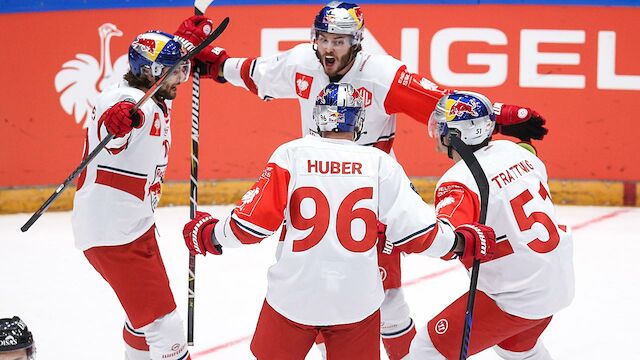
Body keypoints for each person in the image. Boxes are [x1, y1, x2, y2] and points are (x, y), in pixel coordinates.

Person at [174, 3, 548, 358]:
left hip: (372, 193)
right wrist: (212, 62)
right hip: (318, 183)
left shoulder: (383, 74)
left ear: (356, 42)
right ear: (314, 38)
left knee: (388, 299)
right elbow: (256, 73)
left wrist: (496, 114)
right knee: (325, 290)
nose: (329, 48)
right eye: (324, 39)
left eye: (339, 41)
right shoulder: (302, 62)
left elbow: (442, 102)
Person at [182, 83, 496, 359]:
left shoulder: (291, 154)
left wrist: (209, 234)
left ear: (318, 117)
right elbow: (418, 234)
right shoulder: (380, 164)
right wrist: (461, 241)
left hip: (293, 297)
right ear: (359, 121)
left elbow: (251, 225)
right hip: (355, 303)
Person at [408, 91, 574, 359]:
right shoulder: (518, 152)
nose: (437, 131)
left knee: (427, 349)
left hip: (515, 297)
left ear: (456, 135)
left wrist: (409, 214)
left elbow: (444, 243)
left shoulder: (458, 181)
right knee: (518, 349)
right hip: (557, 282)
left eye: (442, 125)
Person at [71, 31, 192, 360]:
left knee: (141, 320)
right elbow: (114, 123)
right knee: (165, 328)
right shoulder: (125, 100)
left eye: (183, 68)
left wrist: (186, 34)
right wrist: (118, 120)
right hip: (116, 234)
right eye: (174, 70)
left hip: (132, 226)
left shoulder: (154, 98)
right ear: (150, 72)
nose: (181, 77)